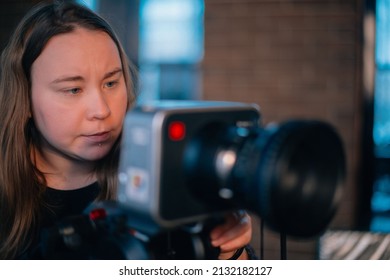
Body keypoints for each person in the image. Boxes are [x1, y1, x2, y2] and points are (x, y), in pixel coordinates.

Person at [0, 0, 253, 260]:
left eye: (110, 83)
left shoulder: (167, 180)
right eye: (73, 89)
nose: (101, 110)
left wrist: (230, 252)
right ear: (25, 97)